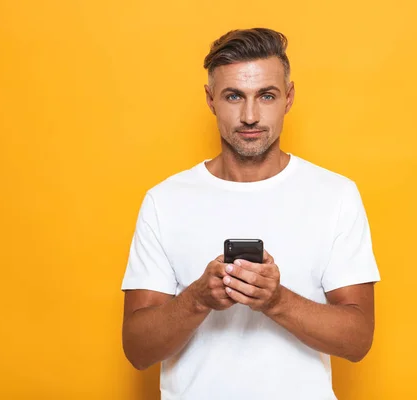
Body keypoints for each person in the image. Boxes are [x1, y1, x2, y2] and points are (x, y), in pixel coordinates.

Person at [121, 27, 381, 400]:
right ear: (211, 100)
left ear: (288, 98)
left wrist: (276, 300)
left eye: (266, 95)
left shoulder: (335, 195)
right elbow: (137, 350)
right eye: (233, 96)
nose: (250, 115)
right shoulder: (165, 201)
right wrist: (198, 298)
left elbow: (357, 341)